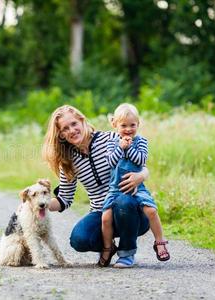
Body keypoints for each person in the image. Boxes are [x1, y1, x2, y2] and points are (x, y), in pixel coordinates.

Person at [42, 104, 150, 268]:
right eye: (65, 129)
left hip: (131, 210)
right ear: (61, 135)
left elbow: (141, 164)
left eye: (74, 124)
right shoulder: (68, 159)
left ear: (82, 121)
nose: (71, 130)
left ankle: (127, 252)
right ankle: (109, 246)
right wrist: (39, 203)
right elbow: (64, 198)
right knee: (79, 239)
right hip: (101, 212)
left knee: (123, 202)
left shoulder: (112, 138)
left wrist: (141, 176)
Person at [100, 103, 170, 268]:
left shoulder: (141, 141)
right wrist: (120, 147)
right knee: (105, 218)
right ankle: (107, 248)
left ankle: (160, 241)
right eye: (123, 125)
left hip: (138, 188)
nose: (128, 129)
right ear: (114, 125)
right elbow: (110, 162)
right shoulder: (112, 143)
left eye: (132, 125)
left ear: (138, 124)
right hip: (115, 189)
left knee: (151, 210)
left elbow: (141, 160)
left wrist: (129, 148)